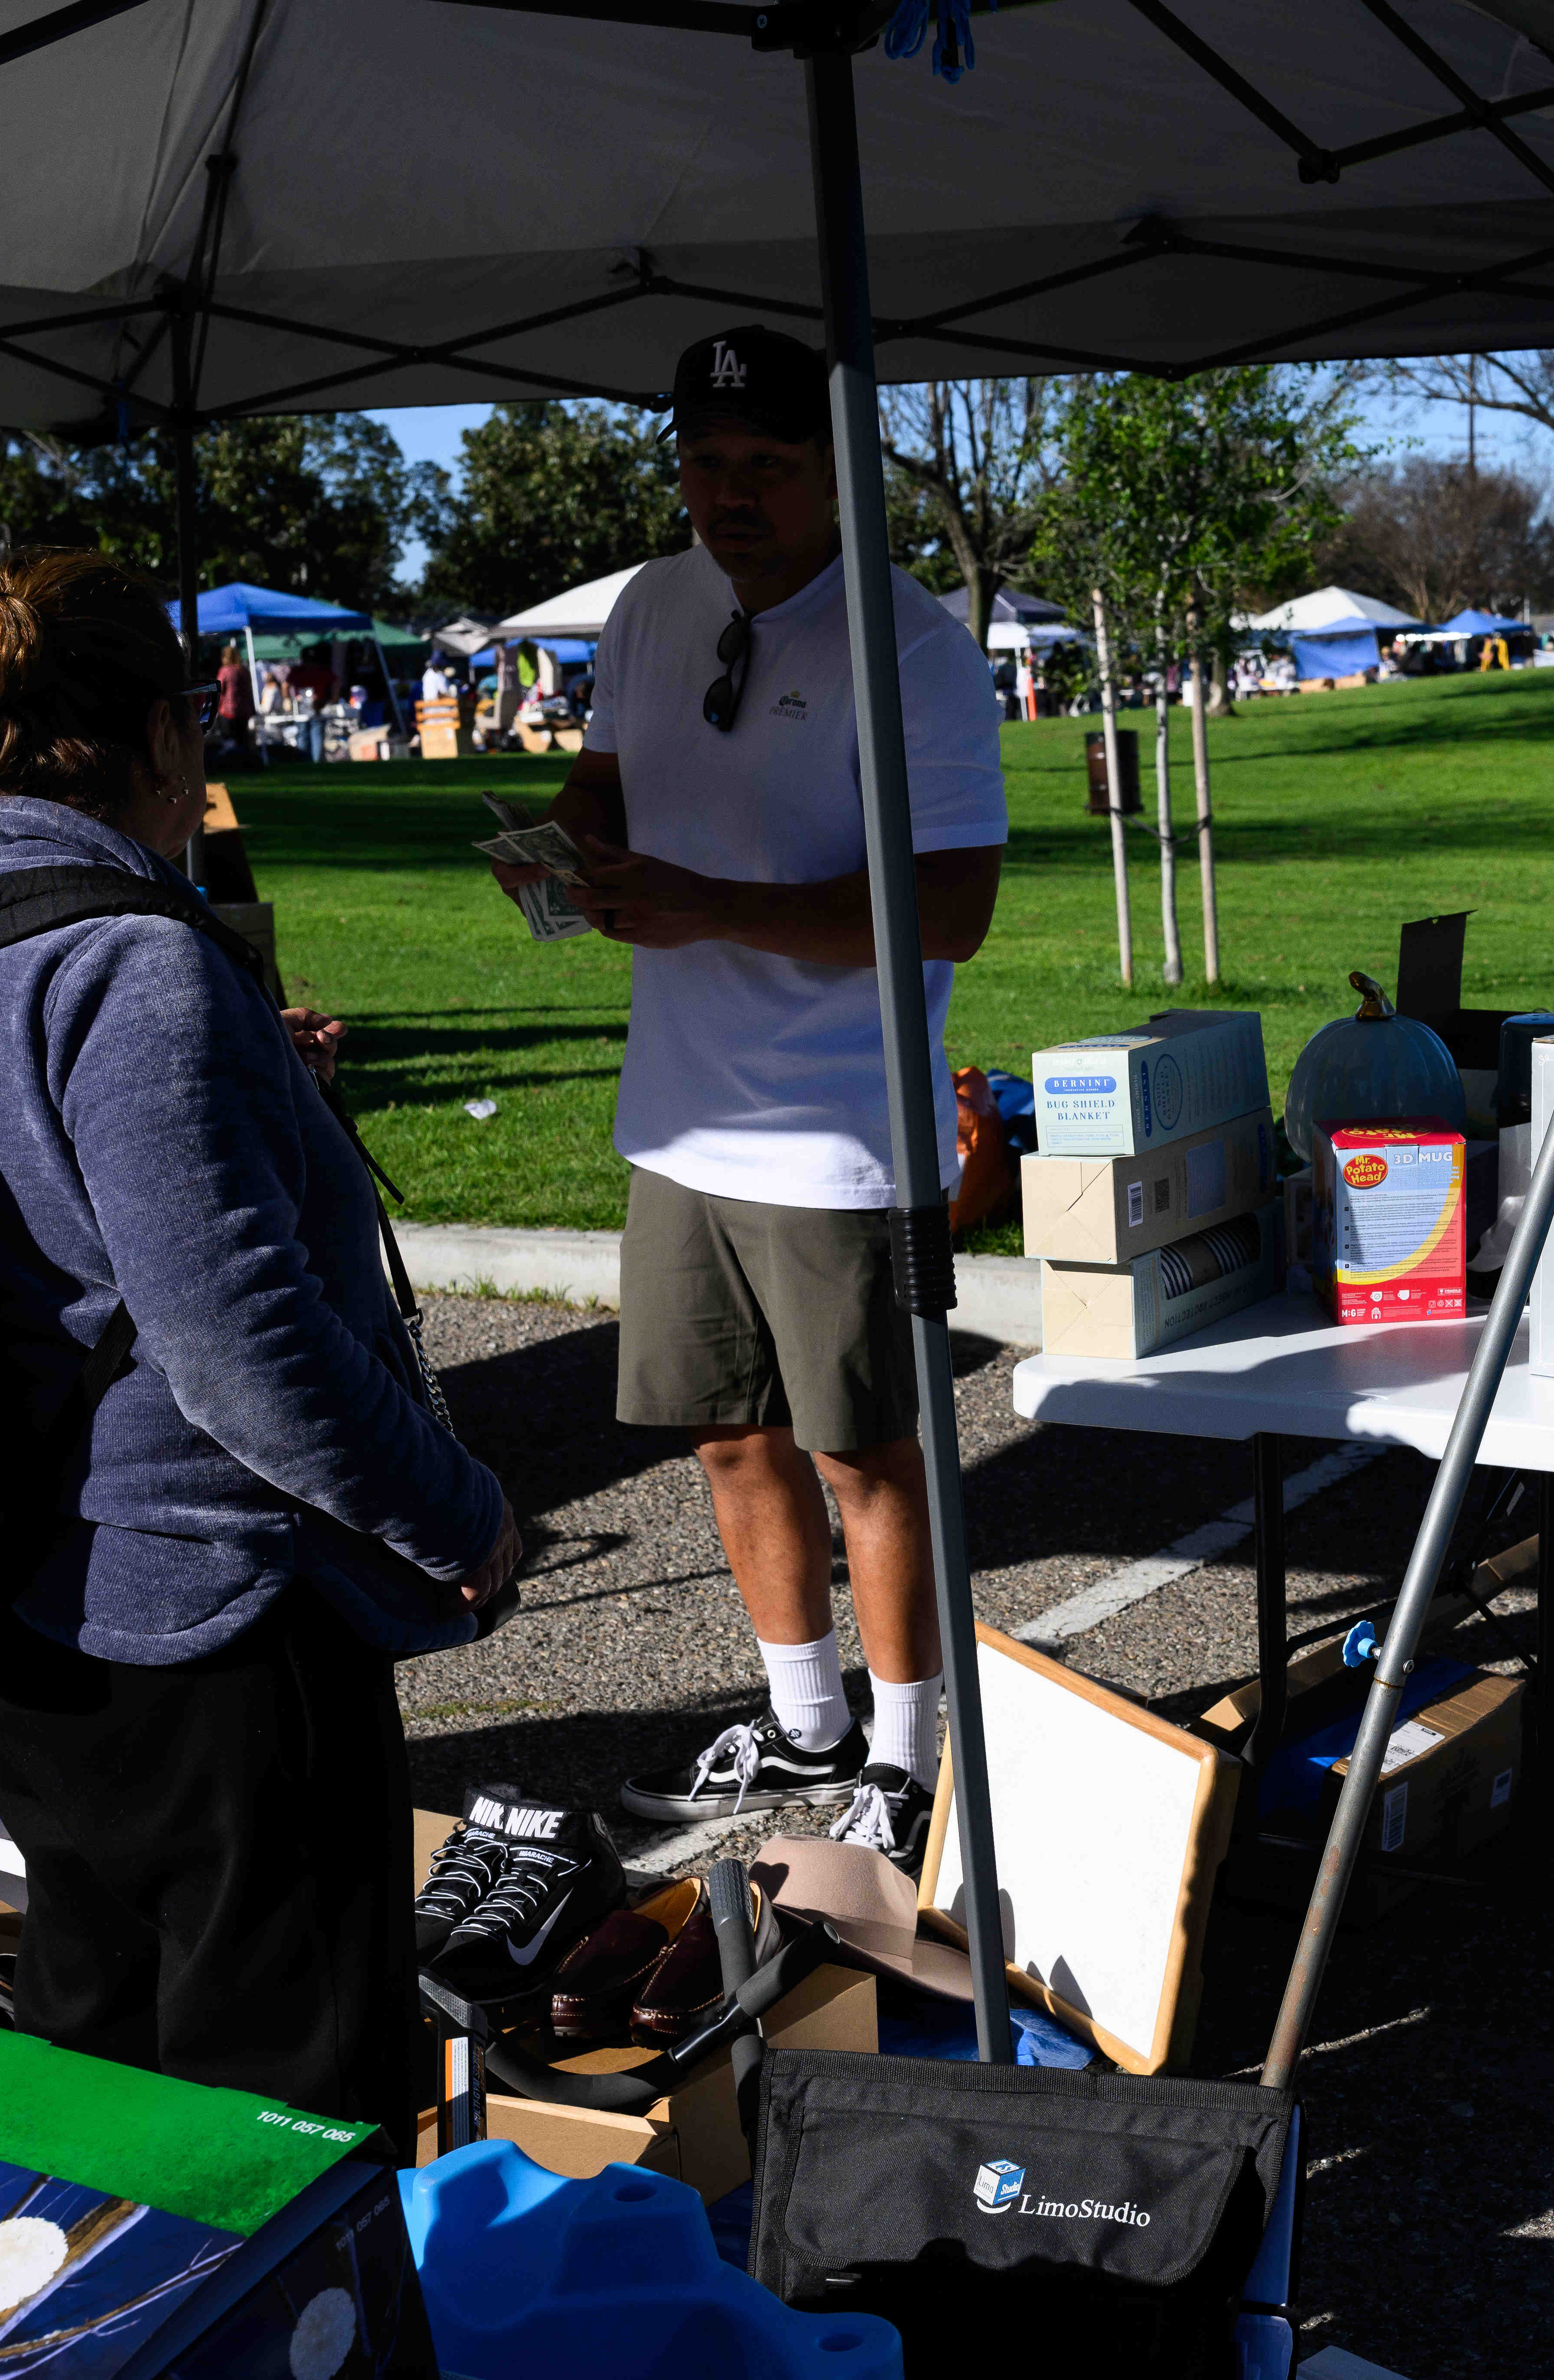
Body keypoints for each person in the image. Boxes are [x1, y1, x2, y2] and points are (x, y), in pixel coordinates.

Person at [0, 548, 520, 2139]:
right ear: (164, 735)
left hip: (35, 1610)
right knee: (284, 2137)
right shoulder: (132, 958)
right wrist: (455, 1510)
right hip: (213, 1620)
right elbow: (239, 1341)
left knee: (108, 2104)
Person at [490, 324, 1004, 1860]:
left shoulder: (909, 649)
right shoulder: (650, 607)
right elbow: (610, 775)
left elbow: (953, 905)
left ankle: (907, 1767)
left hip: (841, 1132)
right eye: (704, 463)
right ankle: (803, 1730)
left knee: (864, 1451)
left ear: (830, 473)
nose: (729, 495)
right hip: (681, 1117)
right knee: (722, 1434)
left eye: (765, 467)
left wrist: (708, 904)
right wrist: (563, 845)